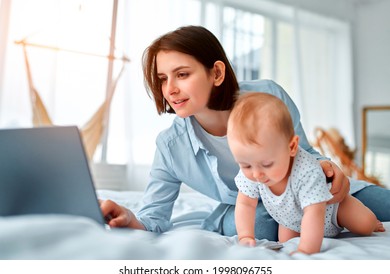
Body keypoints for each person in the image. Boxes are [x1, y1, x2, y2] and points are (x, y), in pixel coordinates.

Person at [100, 25, 390, 241]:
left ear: (216, 73)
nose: (170, 89)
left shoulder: (268, 95)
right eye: (163, 79)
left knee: (382, 205)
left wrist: (328, 168)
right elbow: (155, 218)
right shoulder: (170, 146)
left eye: (182, 74)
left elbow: (307, 154)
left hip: (305, 192)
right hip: (253, 209)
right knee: (262, 223)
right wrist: (130, 218)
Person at [227, 92, 385, 254]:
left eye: (267, 164)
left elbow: (314, 213)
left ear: (292, 147)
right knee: (287, 244)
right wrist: (245, 236)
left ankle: (372, 221)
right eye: (245, 165)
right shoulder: (255, 165)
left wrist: (306, 250)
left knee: (364, 225)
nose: (257, 174)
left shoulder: (306, 171)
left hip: (332, 209)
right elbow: (245, 203)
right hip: (290, 220)